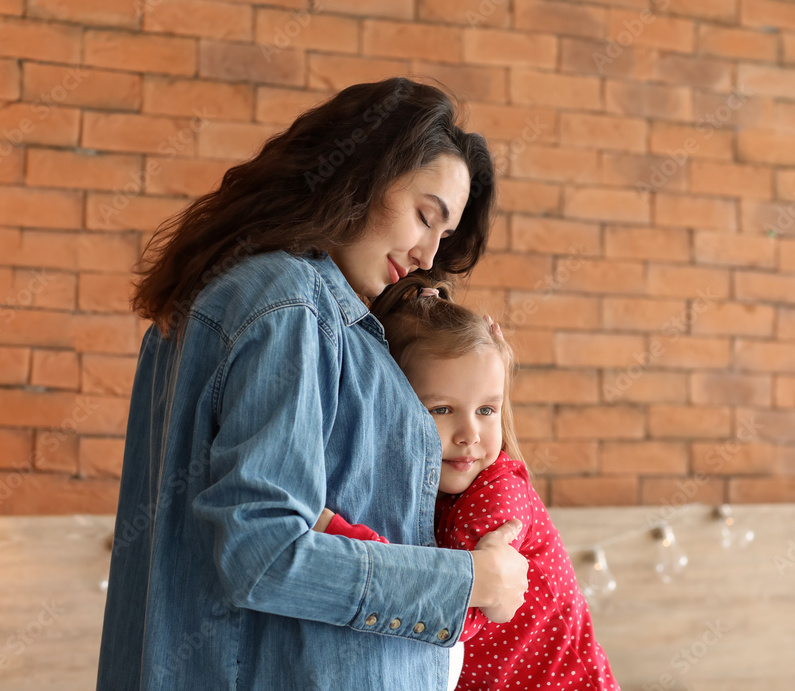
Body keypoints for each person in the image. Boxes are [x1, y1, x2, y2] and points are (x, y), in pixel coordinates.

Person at [96, 77, 529, 690]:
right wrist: (472, 582)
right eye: (426, 216)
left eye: (446, 235)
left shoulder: (231, 300)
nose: (430, 253)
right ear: (359, 176)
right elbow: (265, 554)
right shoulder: (289, 305)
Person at [314, 274, 622, 691]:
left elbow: (449, 607)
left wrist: (337, 534)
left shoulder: (497, 497)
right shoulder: (428, 489)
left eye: (486, 410)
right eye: (442, 409)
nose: (469, 434)